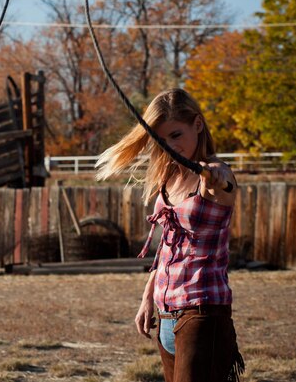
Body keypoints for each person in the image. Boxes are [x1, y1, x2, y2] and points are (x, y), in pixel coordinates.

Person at [96, 88, 244, 382]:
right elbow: (166, 245)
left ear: (197, 125)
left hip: (202, 314)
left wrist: (219, 178)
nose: (169, 147)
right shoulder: (169, 177)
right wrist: (146, 298)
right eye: (161, 140)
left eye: (176, 135)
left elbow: (224, 185)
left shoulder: (213, 174)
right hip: (166, 315)